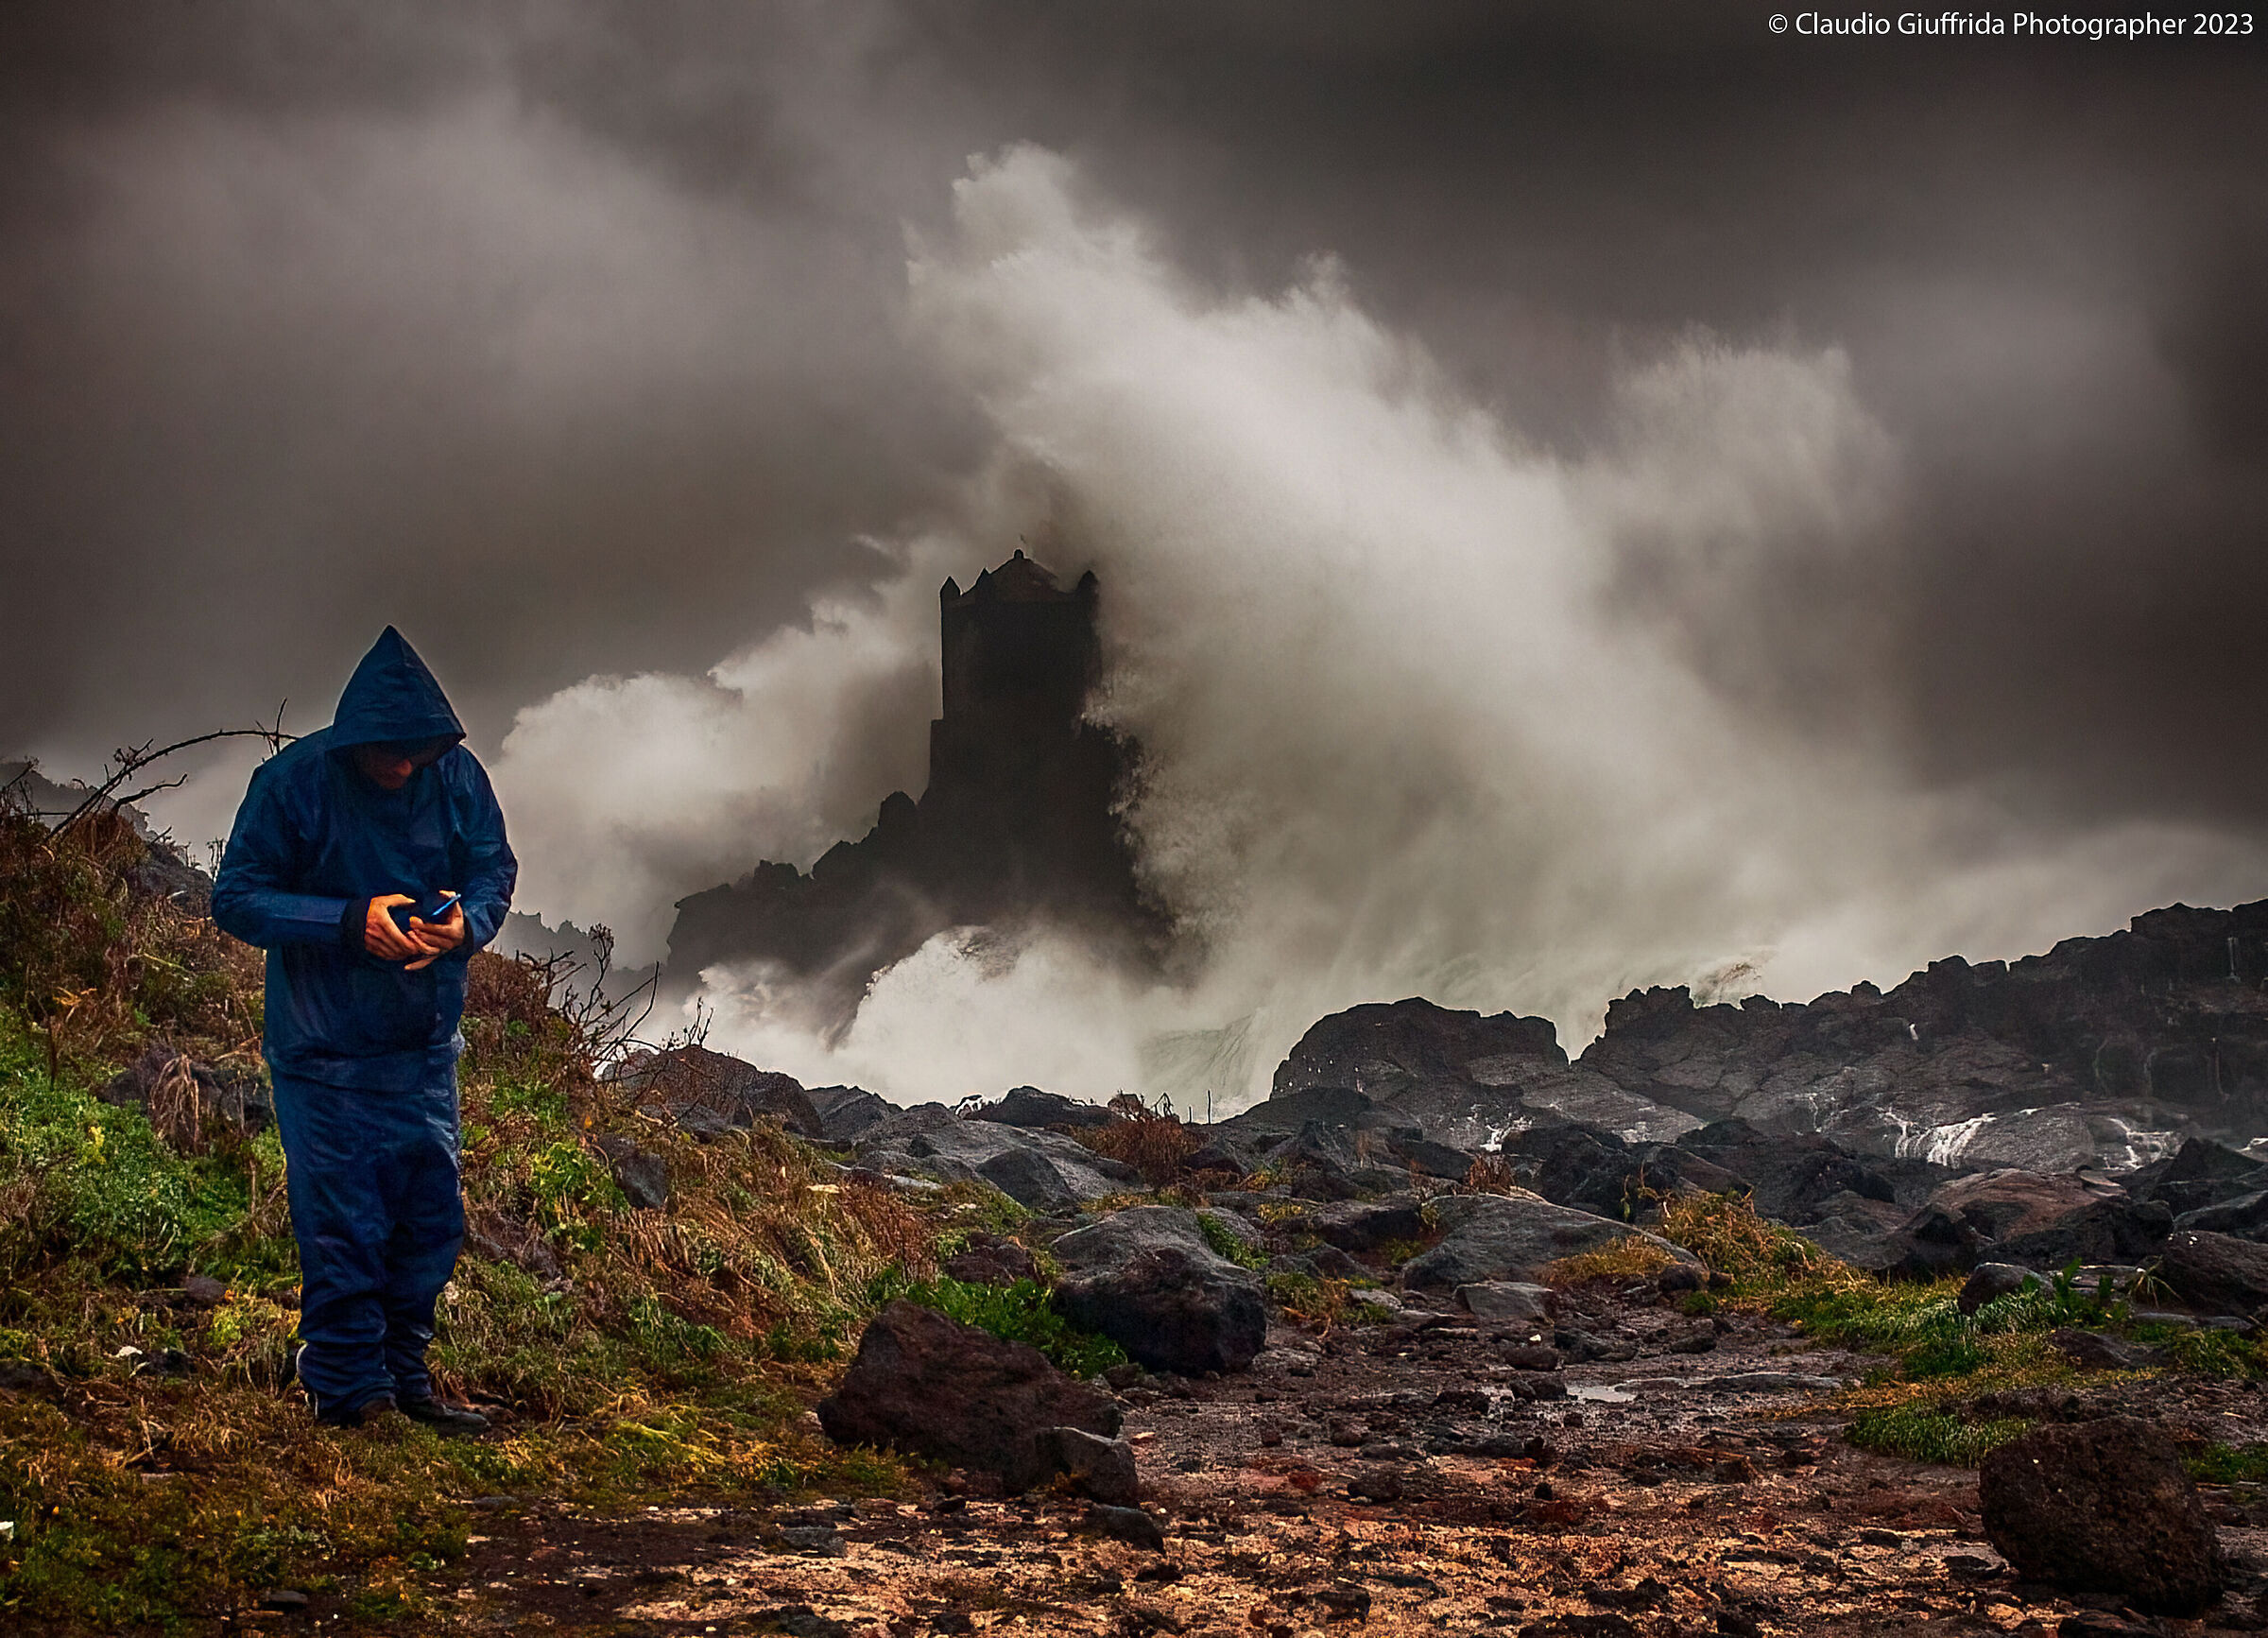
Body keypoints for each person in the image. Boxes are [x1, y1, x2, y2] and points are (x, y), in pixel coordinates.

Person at [213, 627, 516, 1433]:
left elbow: (493, 866)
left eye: (418, 750)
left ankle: (404, 1378)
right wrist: (350, 920)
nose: (404, 766)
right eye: (391, 751)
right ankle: (350, 1393)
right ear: (357, 740)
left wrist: (467, 925)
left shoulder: (454, 775)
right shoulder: (293, 784)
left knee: (428, 1221)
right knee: (344, 1222)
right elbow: (237, 897)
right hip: (325, 1054)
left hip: (421, 1049)